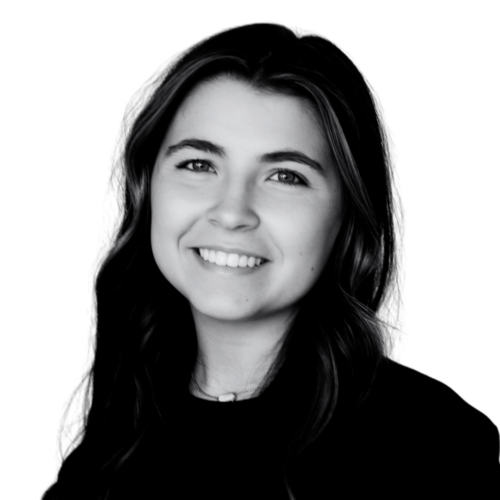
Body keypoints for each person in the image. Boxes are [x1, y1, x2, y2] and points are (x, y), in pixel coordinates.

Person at [41, 23, 500, 499]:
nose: (231, 212)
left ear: (348, 214)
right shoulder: (110, 450)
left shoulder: (433, 446)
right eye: (198, 165)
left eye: (285, 176)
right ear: (146, 186)